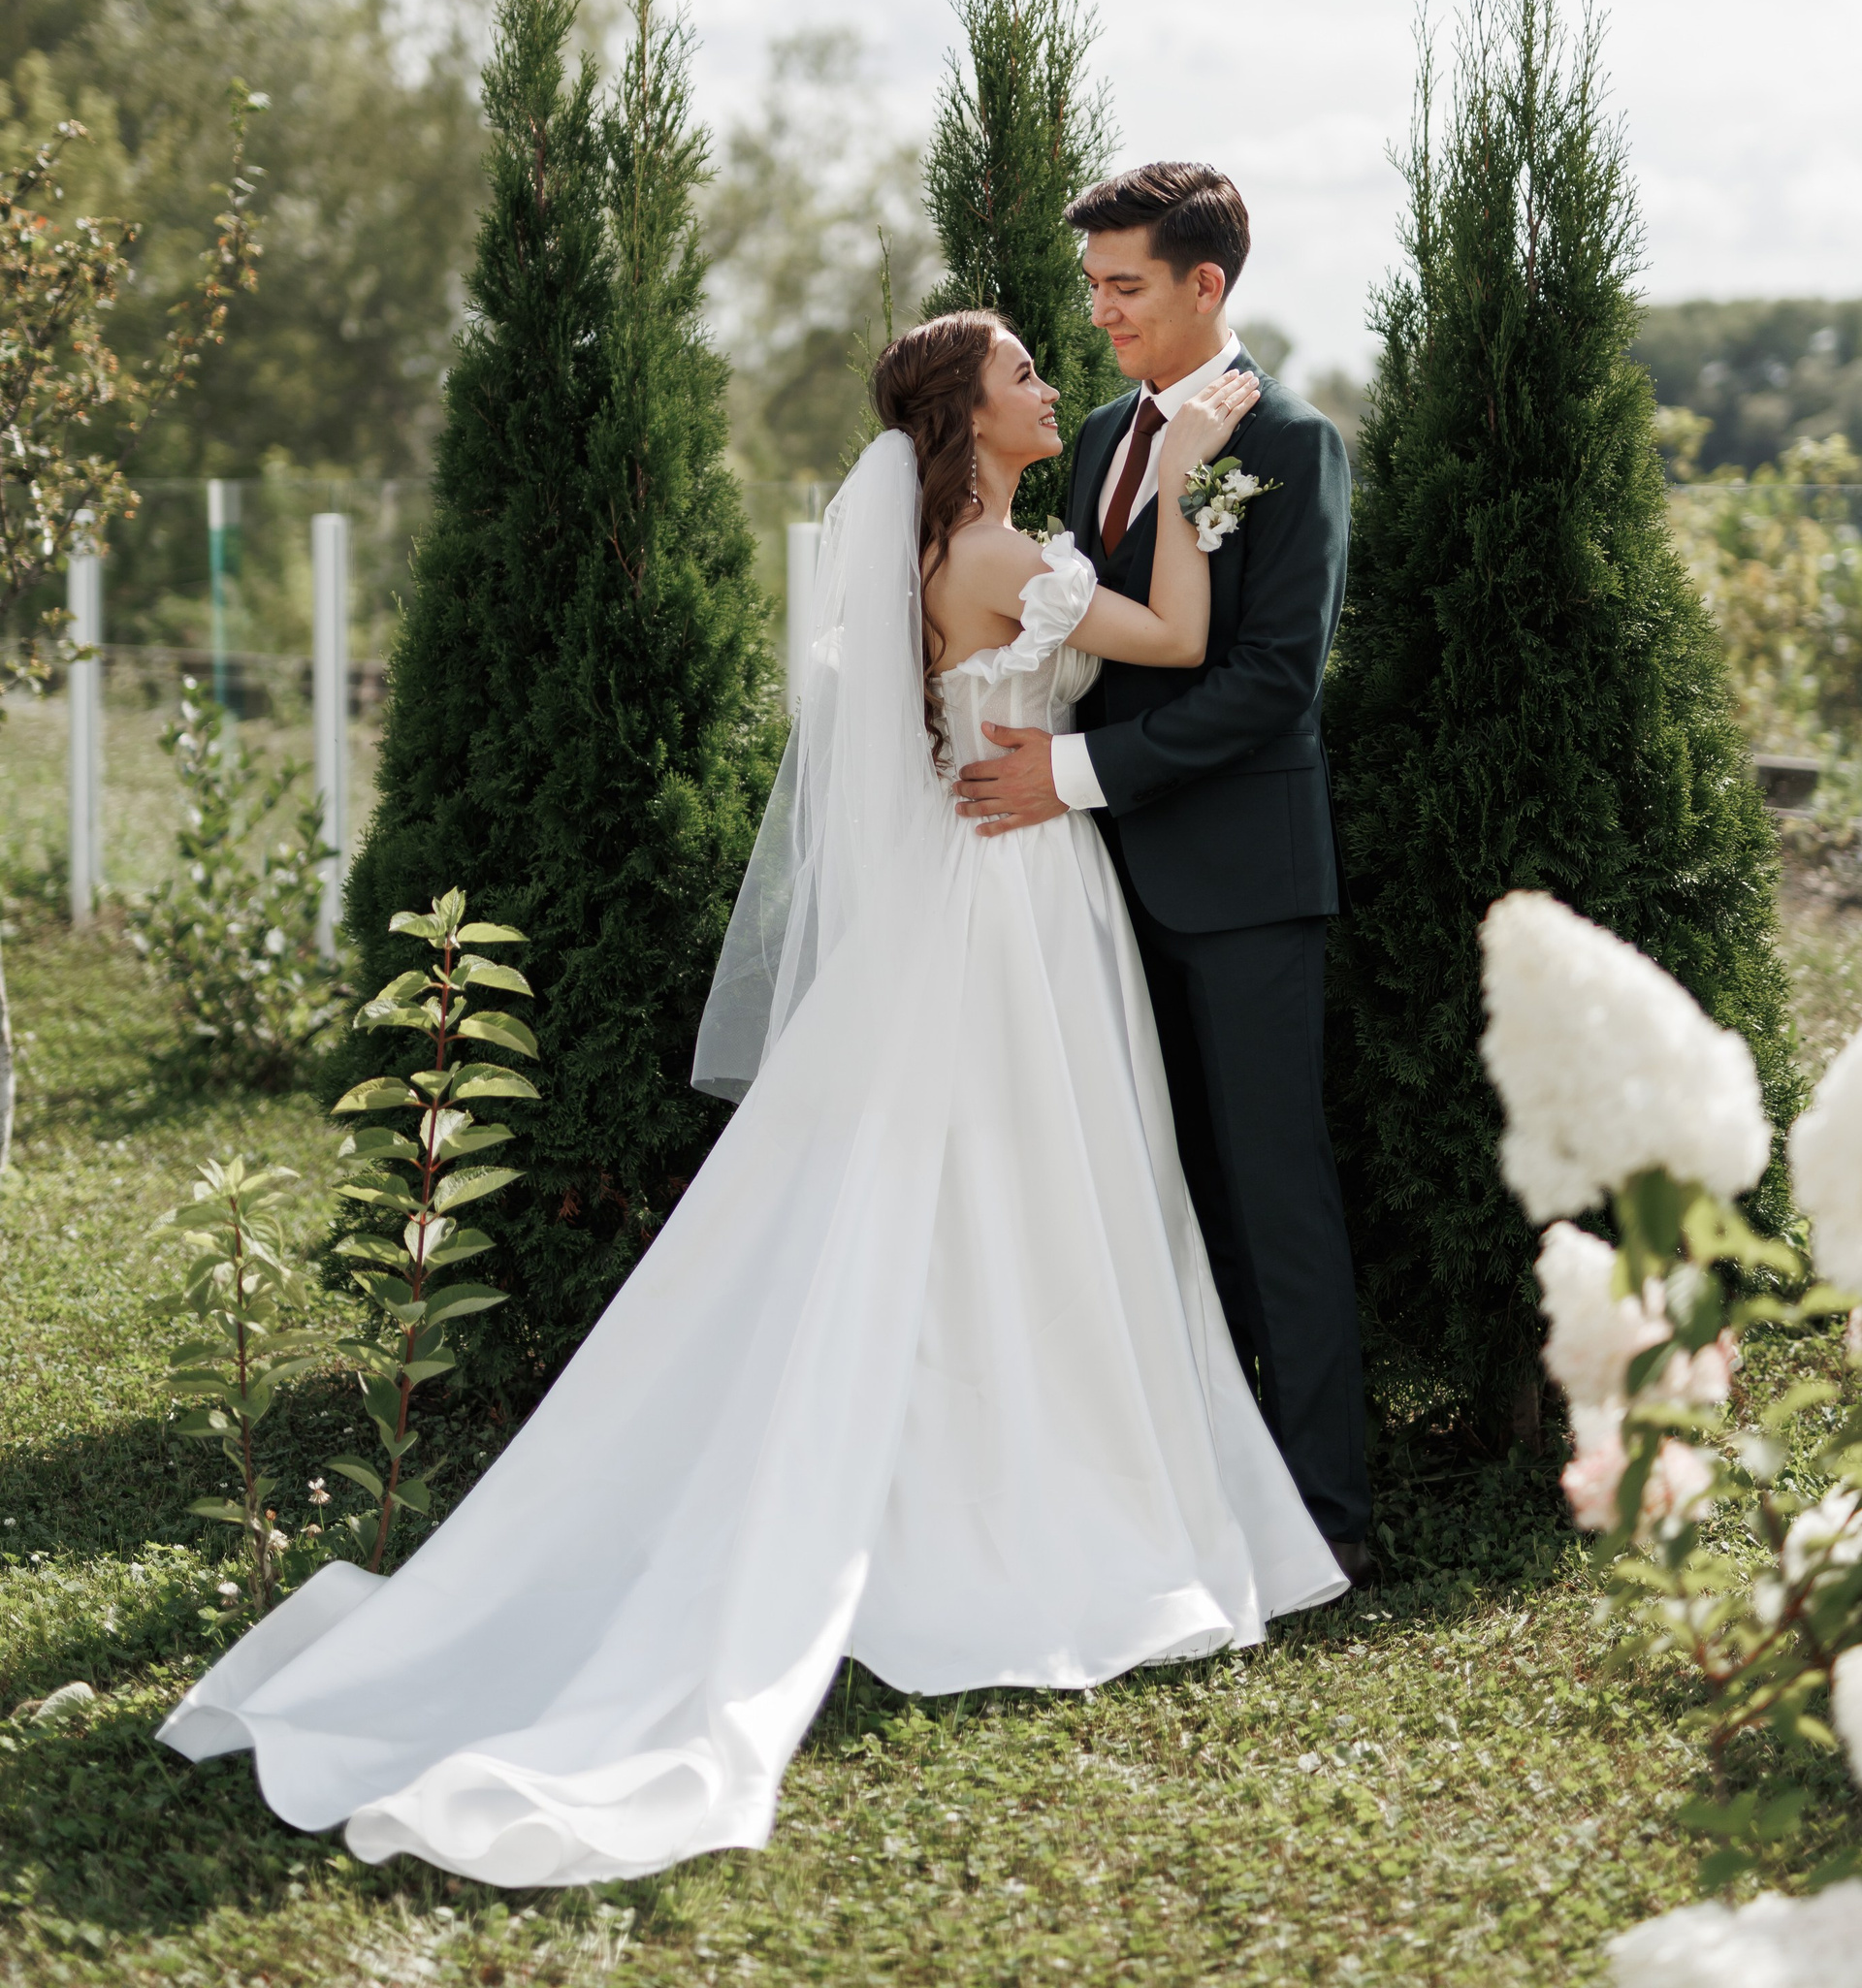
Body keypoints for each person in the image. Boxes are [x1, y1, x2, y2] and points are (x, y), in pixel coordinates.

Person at [154, 307, 1344, 1887]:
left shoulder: (961, 549)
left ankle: (972, 1458)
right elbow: (1183, 644)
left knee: (988, 1189)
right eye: (1021, 374)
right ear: (964, 418)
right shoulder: (996, 557)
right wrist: (1186, 477)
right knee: (1028, 1186)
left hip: (1006, 888)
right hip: (1015, 900)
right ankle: (1018, 1488)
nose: (1052, 382)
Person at [953, 163, 1371, 1581]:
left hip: (1243, 881)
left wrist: (1068, 776)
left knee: (1273, 1194)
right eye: (1093, 287)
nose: (1102, 312)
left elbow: (1271, 684)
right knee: (1159, 1197)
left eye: (1125, 285)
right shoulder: (1093, 444)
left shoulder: (1295, 444)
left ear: (1207, 284)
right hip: (1095, 889)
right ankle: (1199, 1489)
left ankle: (1324, 1516)